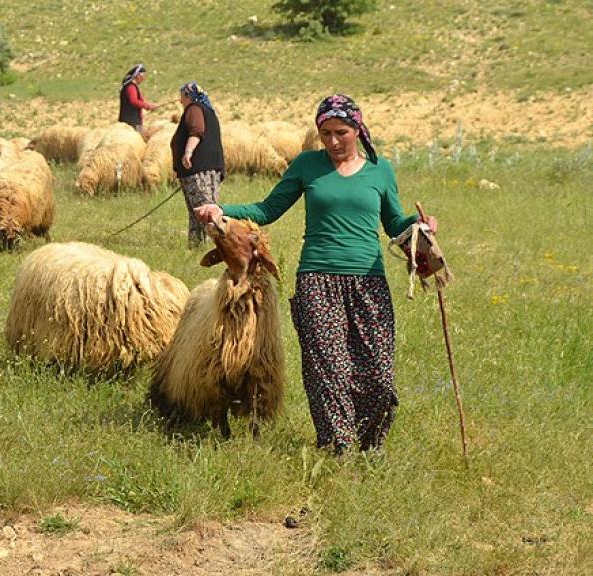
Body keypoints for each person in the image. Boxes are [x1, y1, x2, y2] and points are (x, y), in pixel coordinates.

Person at [195, 94, 437, 454]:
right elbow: (268, 208)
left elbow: (393, 222)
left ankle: (370, 448)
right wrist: (221, 208)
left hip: (368, 281)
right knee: (328, 372)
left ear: (358, 129)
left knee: (379, 377)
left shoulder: (379, 169)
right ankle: (336, 448)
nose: (333, 142)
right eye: (325, 133)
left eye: (341, 132)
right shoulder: (308, 166)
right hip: (317, 280)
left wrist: (418, 225)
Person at [170, 81, 225, 249]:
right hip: (207, 169)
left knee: (203, 210)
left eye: (182, 97)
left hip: (198, 170)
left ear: (189, 96)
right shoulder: (208, 110)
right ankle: (198, 248)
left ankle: (215, 246)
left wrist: (188, 152)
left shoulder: (194, 109)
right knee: (202, 210)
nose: (181, 101)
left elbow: (197, 130)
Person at [118, 64, 156, 133]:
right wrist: (147, 106)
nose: (144, 79)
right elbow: (134, 101)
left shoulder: (131, 86)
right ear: (138, 76)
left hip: (133, 120)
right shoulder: (131, 87)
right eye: (143, 76)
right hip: (131, 122)